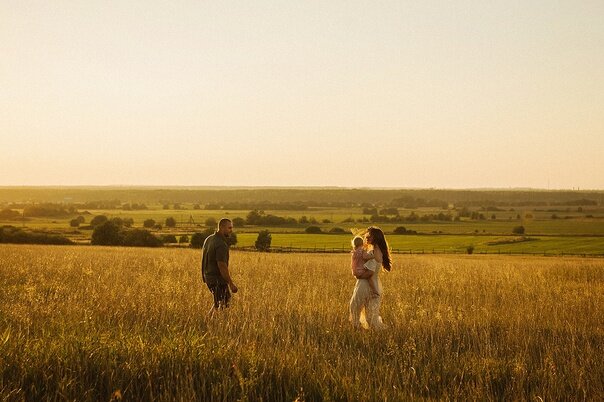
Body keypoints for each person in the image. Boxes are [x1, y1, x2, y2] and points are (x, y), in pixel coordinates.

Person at [349, 226, 392, 329]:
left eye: (369, 235)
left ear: (375, 237)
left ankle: (357, 330)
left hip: (366, 284)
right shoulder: (376, 250)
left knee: (355, 308)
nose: (366, 237)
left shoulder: (374, 252)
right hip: (374, 284)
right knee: (371, 315)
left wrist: (358, 275)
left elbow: (369, 273)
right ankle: (366, 331)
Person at [201, 218, 238, 314]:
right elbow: (222, 265)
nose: (231, 230)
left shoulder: (209, 239)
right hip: (217, 279)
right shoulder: (221, 244)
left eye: (231, 228)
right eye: (229, 228)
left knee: (219, 302)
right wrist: (231, 283)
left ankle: (209, 321)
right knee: (224, 302)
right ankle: (212, 324)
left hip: (208, 277)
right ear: (221, 227)